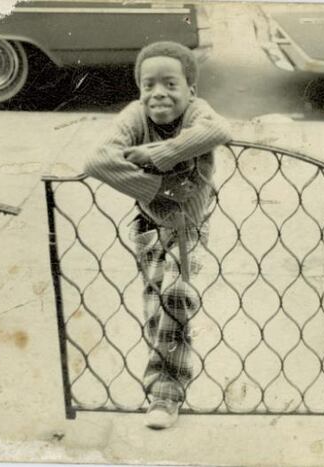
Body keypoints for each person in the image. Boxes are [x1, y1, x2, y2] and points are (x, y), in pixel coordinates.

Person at [83, 41, 232, 429]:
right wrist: (157, 189)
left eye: (170, 83)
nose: (158, 93)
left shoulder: (198, 113)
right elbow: (98, 159)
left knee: (178, 294)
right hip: (150, 226)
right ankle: (162, 385)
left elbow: (220, 129)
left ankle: (166, 394)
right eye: (148, 85)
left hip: (191, 228)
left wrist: (157, 155)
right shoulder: (135, 116)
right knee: (156, 308)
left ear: (191, 91)